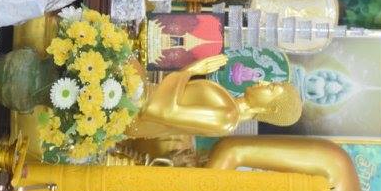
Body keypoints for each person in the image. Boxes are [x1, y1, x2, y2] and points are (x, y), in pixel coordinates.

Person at [128, 55, 302, 138]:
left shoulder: (227, 118)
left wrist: (191, 71)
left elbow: (161, 111)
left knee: (121, 50)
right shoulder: (229, 104)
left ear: (270, 109)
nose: (262, 81)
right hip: (142, 95)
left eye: (270, 87)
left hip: (134, 111)